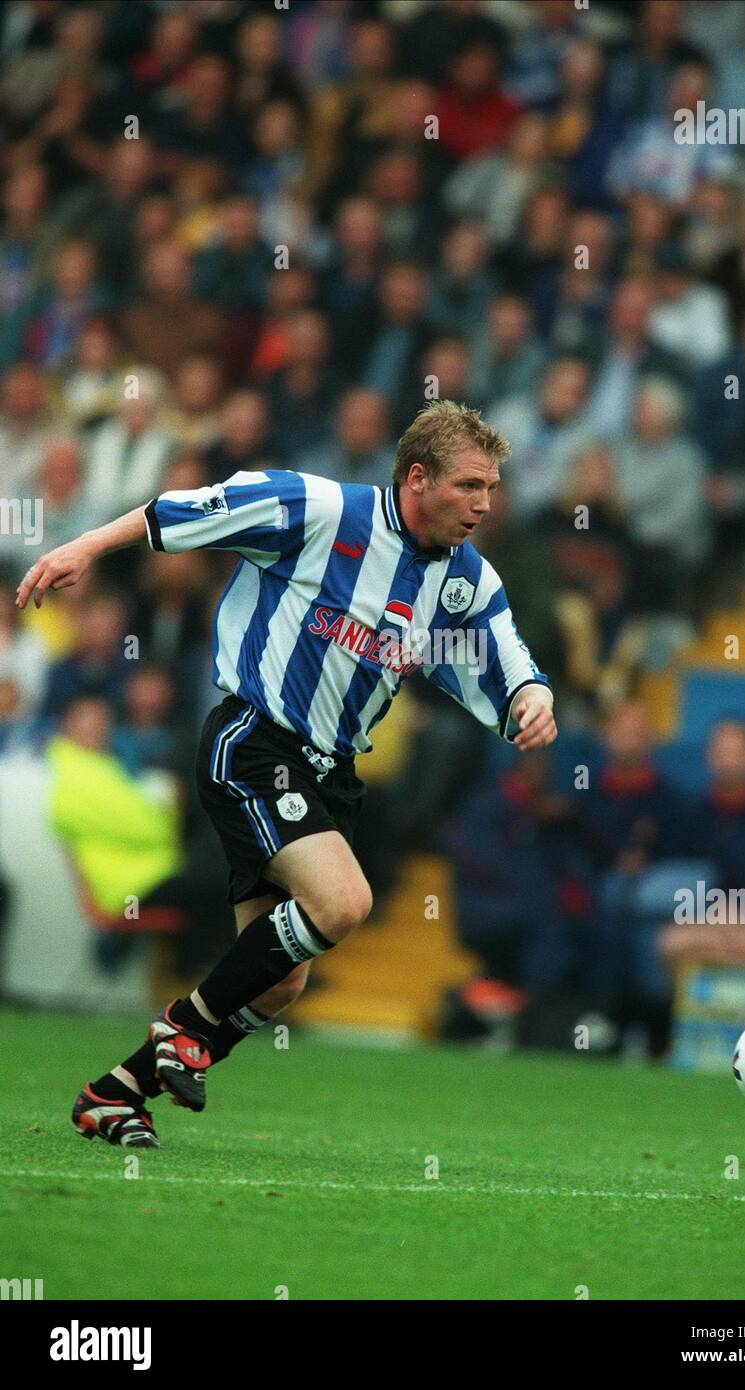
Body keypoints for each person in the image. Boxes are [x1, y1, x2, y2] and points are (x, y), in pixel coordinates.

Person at [16, 400, 556, 1149]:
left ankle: (115, 1094)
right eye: (470, 486)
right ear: (418, 477)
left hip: (330, 777)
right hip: (254, 742)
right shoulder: (319, 508)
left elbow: (505, 656)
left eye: (491, 488)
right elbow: (185, 509)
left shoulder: (465, 581)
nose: (484, 505)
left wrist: (533, 698)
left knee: (279, 981)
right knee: (342, 902)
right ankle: (185, 1033)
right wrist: (84, 548)